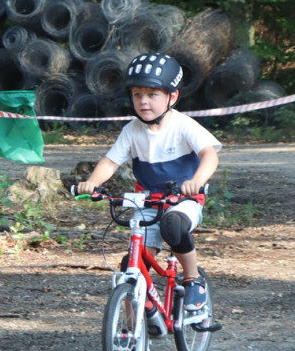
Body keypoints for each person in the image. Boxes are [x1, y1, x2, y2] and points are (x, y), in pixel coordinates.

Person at [76, 52, 221, 317]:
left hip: (183, 200)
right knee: (131, 265)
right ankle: (132, 334)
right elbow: (110, 162)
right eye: (137, 95)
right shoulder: (132, 130)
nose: (143, 102)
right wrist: (92, 183)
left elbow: (210, 154)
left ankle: (192, 279)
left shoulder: (183, 125)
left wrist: (196, 181)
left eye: (152, 95)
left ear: (172, 97)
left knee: (173, 225)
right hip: (147, 202)